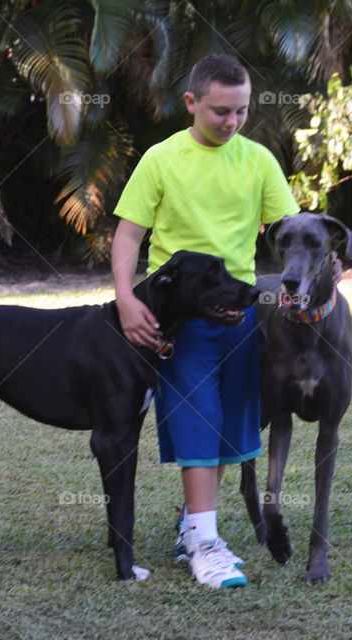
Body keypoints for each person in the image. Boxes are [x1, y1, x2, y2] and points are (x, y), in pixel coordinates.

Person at [111, 53, 300, 589]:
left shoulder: (259, 161)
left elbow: (287, 230)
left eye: (241, 111)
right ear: (191, 102)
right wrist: (126, 299)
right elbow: (128, 236)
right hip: (179, 320)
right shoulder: (161, 159)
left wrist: (301, 273)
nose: (232, 122)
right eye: (221, 111)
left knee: (228, 429)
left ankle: (196, 525)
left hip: (240, 315)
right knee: (198, 422)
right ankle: (204, 542)